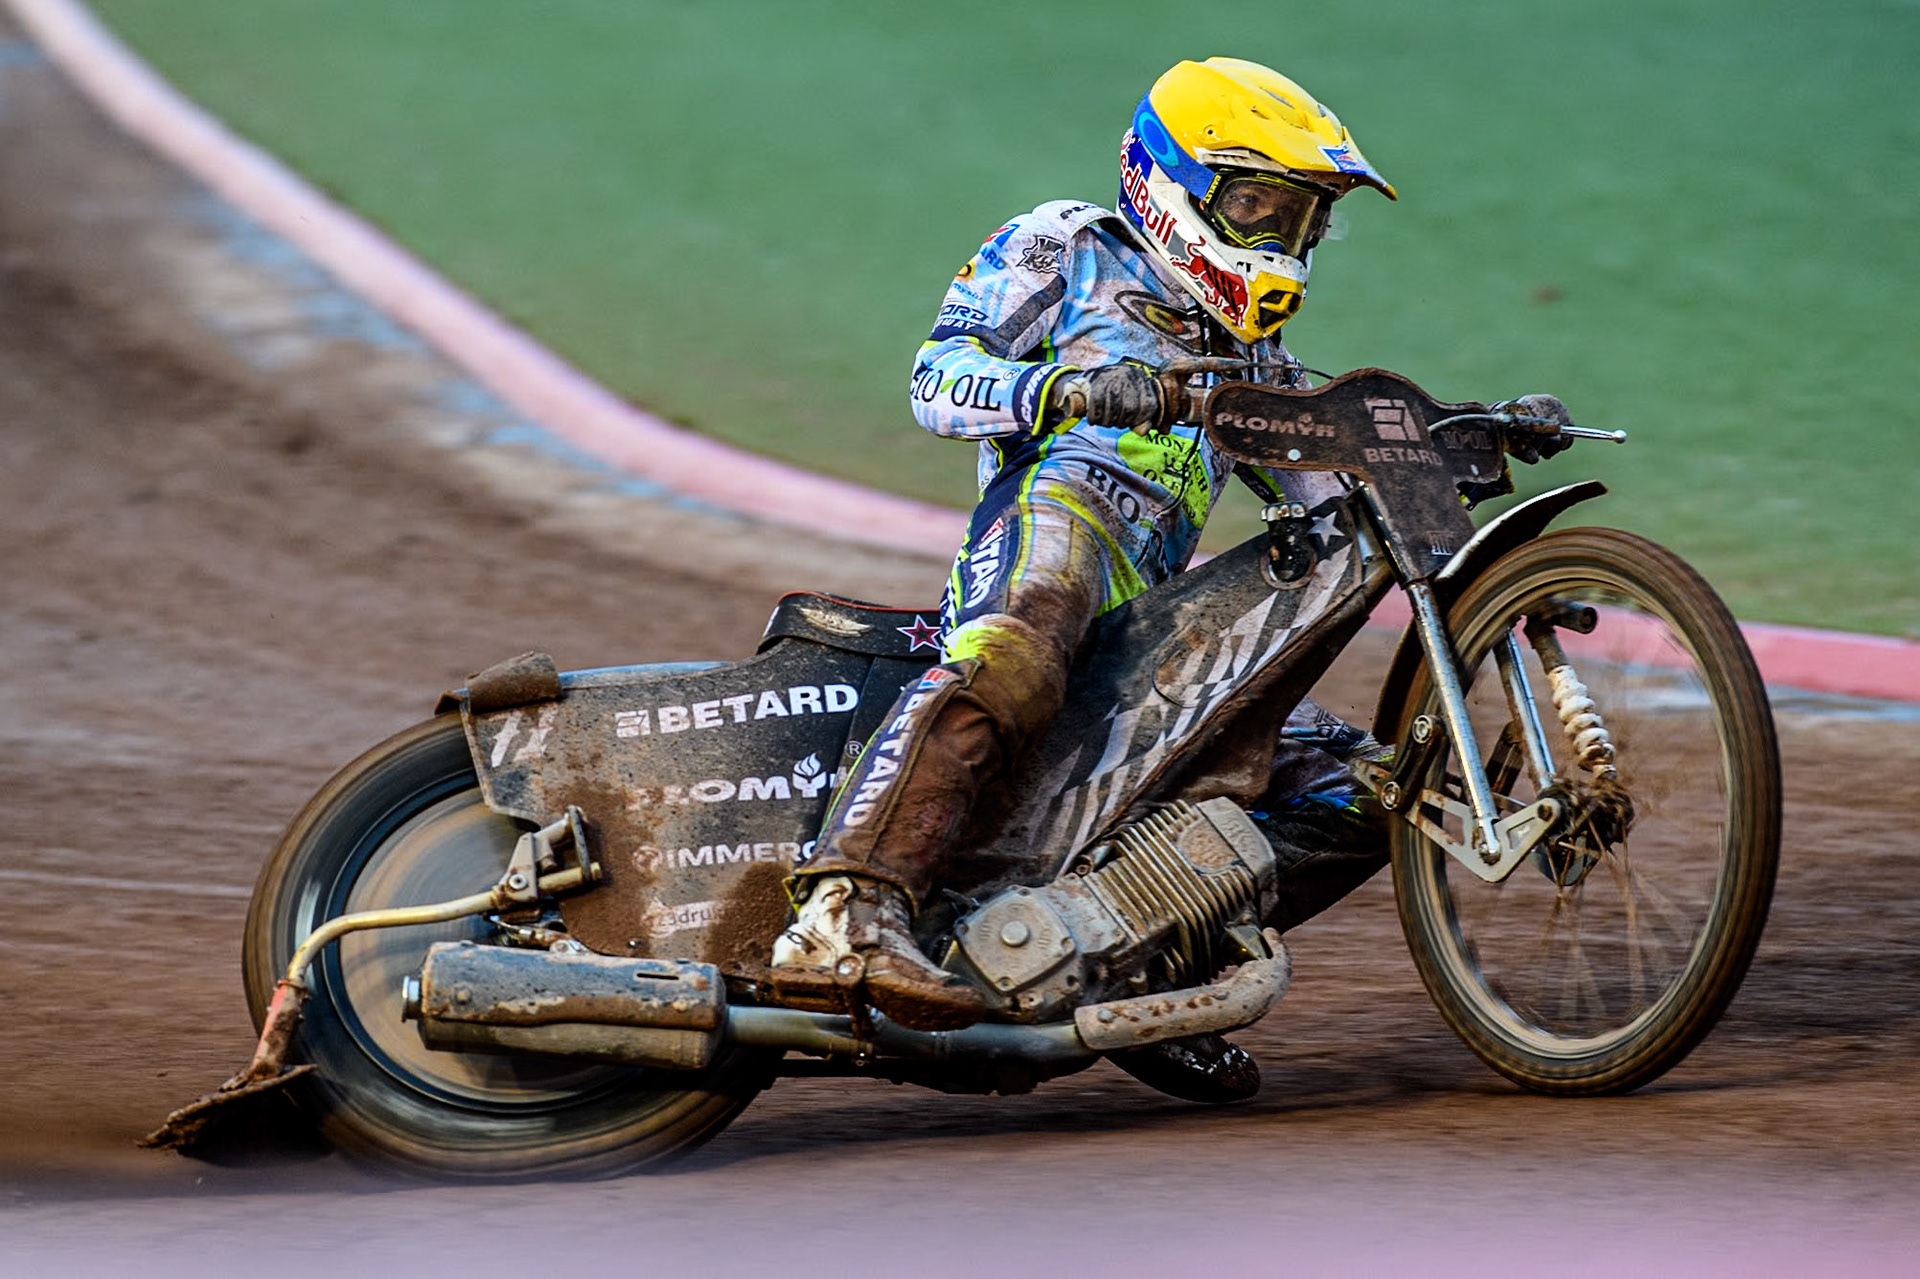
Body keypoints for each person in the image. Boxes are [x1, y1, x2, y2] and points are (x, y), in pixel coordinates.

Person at [771, 58, 1561, 1092]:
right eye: (1258, 209)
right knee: (1025, 641)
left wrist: (1461, 438)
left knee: (1372, 789)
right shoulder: (1067, 243)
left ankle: (1144, 969)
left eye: (1301, 222)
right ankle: (843, 914)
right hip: (1055, 526)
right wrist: (1085, 389)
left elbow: (1335, 500)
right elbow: (936, 380)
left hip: (1156, 622)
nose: (1280, 244)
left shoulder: (1254, 359)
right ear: (1169, 184)